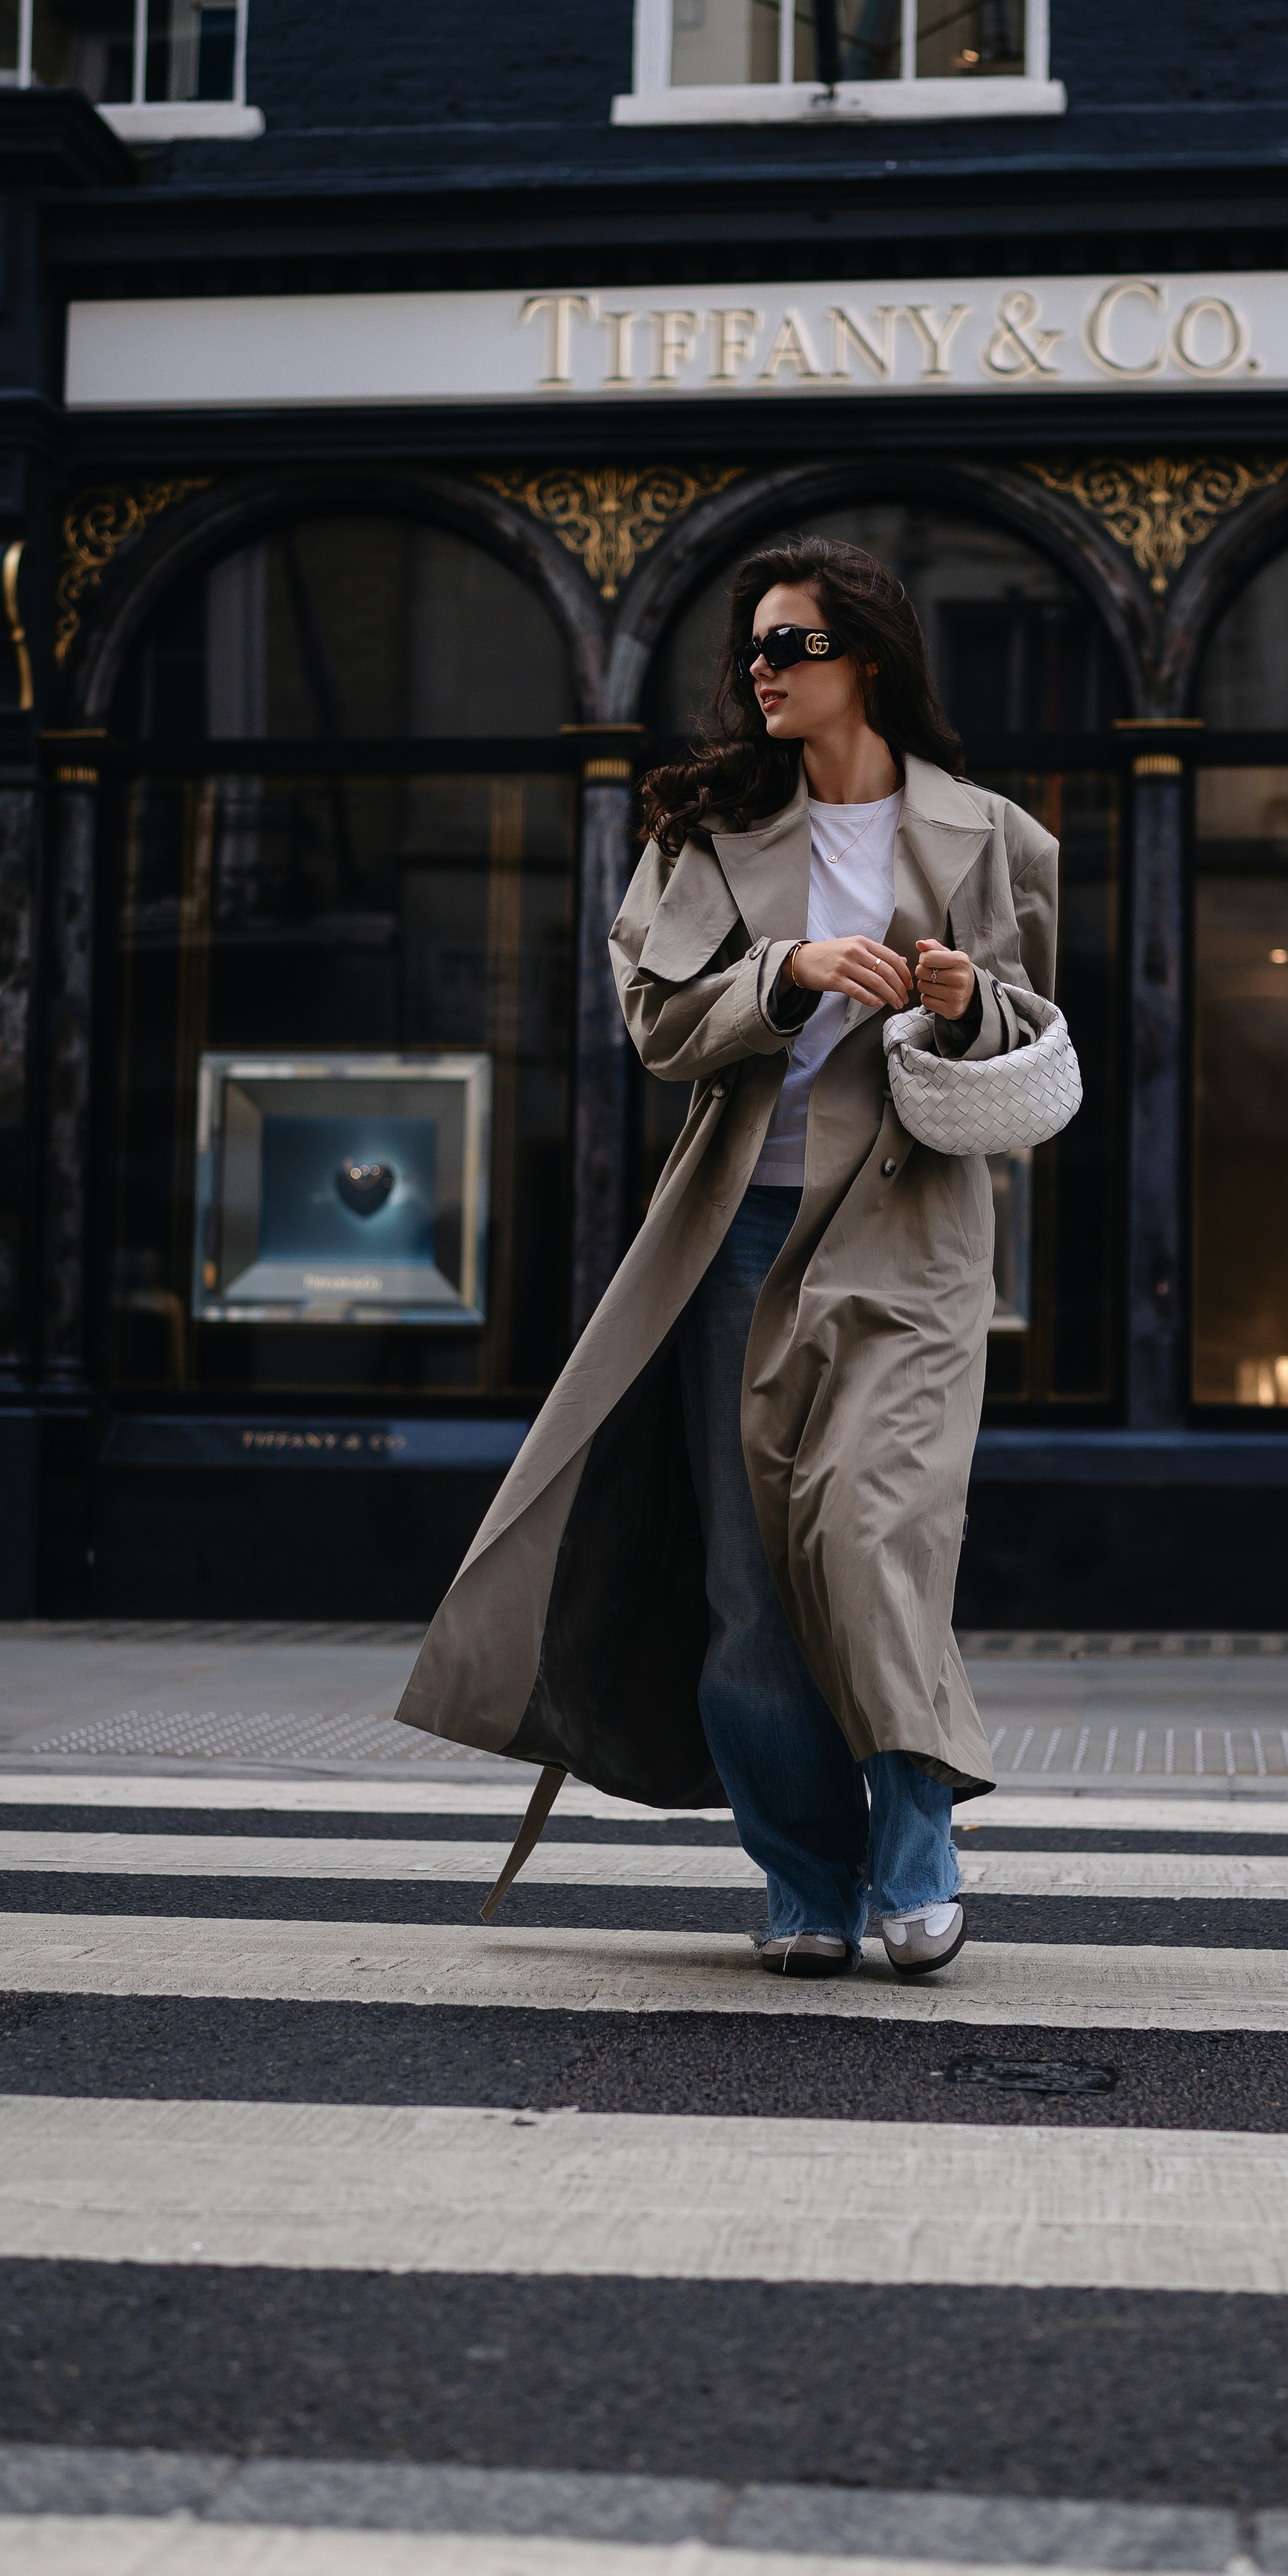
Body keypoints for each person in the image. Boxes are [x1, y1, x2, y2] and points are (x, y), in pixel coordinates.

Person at [399, 535, 1060, 1978]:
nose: (758, 671)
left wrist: (957, 1001)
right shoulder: (703, 836)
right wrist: (787, 974)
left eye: (789, 647)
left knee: (872, 1533)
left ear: (863, 661)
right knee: (751, 1586)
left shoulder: (990, 836)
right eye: (750, 650)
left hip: (913, 1230)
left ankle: (915, 1849)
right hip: (733, 1234)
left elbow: (1028, 1048)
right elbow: (654, 1027)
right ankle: (806, 1879)